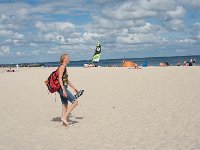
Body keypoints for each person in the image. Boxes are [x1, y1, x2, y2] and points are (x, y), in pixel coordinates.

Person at [58, 54, 79, 126]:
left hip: (62, 88)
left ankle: (64, 124)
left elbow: (67, 80)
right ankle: (64, 117)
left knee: (65, 105)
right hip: (62, 88)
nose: (69, 59)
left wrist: (74, 88)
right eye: (67, 58)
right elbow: (60, 79)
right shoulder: (62, 67)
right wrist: (63, 90)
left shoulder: (64, 68)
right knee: (75, 102)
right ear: (64, 59)